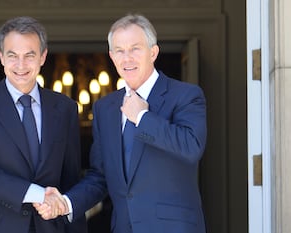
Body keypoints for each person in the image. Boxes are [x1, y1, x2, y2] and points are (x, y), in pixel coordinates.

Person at [35, 14, 207, 233]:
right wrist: (66, 204)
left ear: (153, 52)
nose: (127, 58)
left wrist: (143, 118)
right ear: (112, 56)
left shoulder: (185, 95)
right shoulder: (105, 108)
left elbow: (191, 147)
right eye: (120, 51)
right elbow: (100, 176)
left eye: (135, 49)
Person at [0, 16, 87, 233]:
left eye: (29, 55)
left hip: (50, 227)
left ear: (43, 57)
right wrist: (36, 193)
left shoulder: (65, 108)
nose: (20, 65)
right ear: (1, 56)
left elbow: (70, 178)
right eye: (12, 55)